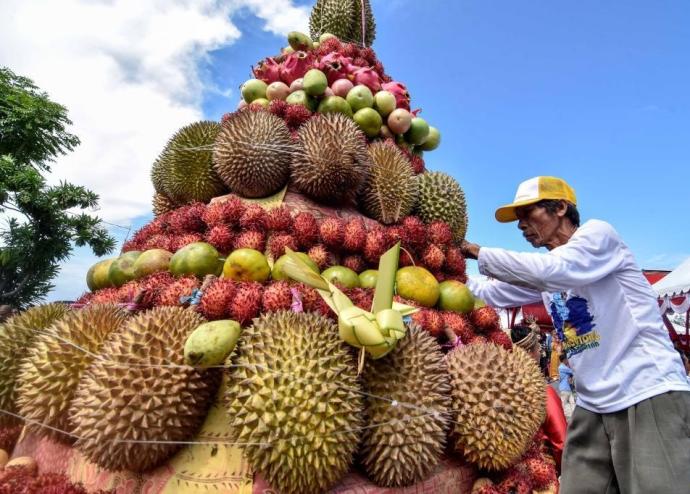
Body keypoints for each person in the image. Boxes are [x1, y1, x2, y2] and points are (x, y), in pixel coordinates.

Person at [461, 176, 690, 493]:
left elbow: (553, 271)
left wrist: (473, 250)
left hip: (646, 391)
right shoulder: (549, 270)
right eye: (519, 220)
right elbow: (486, 293)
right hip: (592, 403)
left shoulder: (599, 237)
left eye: (529, 214)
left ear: (560, 208)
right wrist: (438, 264)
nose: (521, 226)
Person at [511, 323, 567, 474]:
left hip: (511, 476)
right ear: (529, 352)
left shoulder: (502, 390)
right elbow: (561, 441)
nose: (541, 350)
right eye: (537, 347)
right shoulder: (544, 392)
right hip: (541, 472)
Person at [557, 354, 575, 419]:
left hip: (567, 388)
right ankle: (562, 418)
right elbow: (572, 371)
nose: (568, 360)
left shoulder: (562, 367)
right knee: (564, 405)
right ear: (564, 360)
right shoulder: (562, 367)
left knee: (572, 402)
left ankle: (573, 417)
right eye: (567, 359)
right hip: (564, 388)